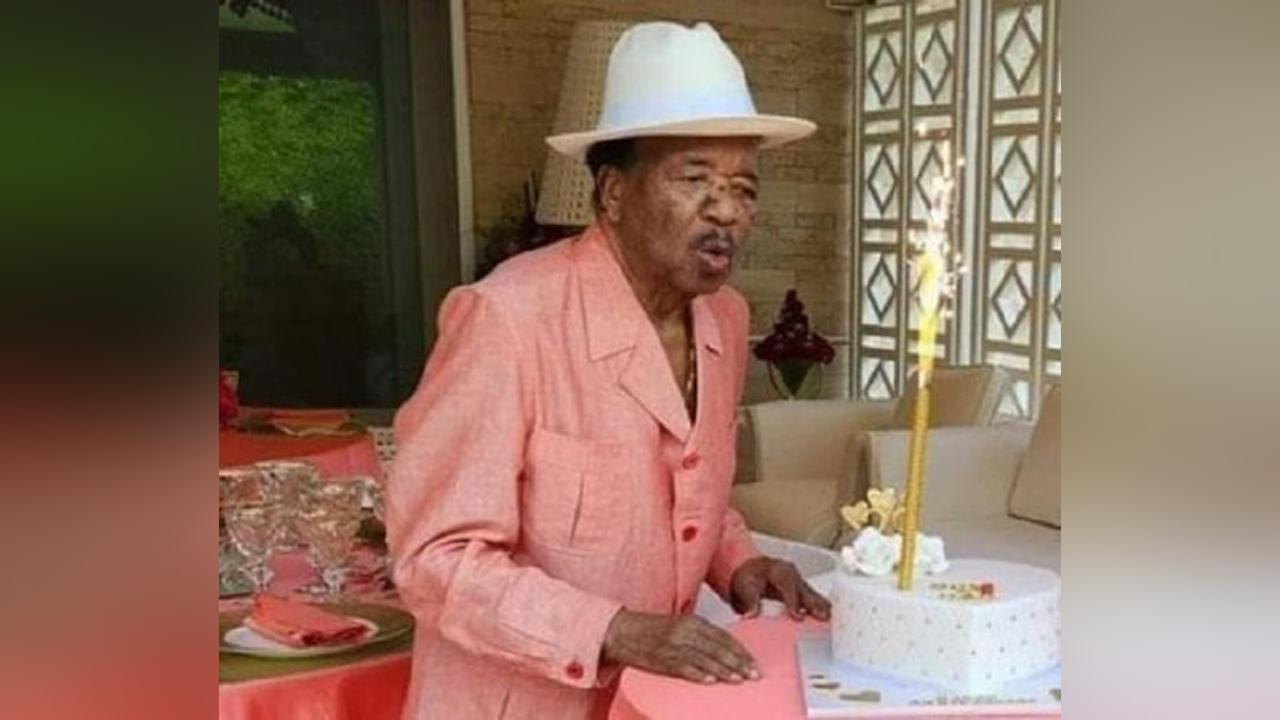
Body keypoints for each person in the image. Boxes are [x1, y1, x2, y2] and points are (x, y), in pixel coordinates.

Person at [386, 21, 829, 720]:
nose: (726, 210)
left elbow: (689, 489)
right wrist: (616, 630)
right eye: (695, 179)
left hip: (651, 705)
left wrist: (740, 562)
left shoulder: (726, 318)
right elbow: (436, 557)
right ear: (613, 193)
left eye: (744, 188)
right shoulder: (506, 318)